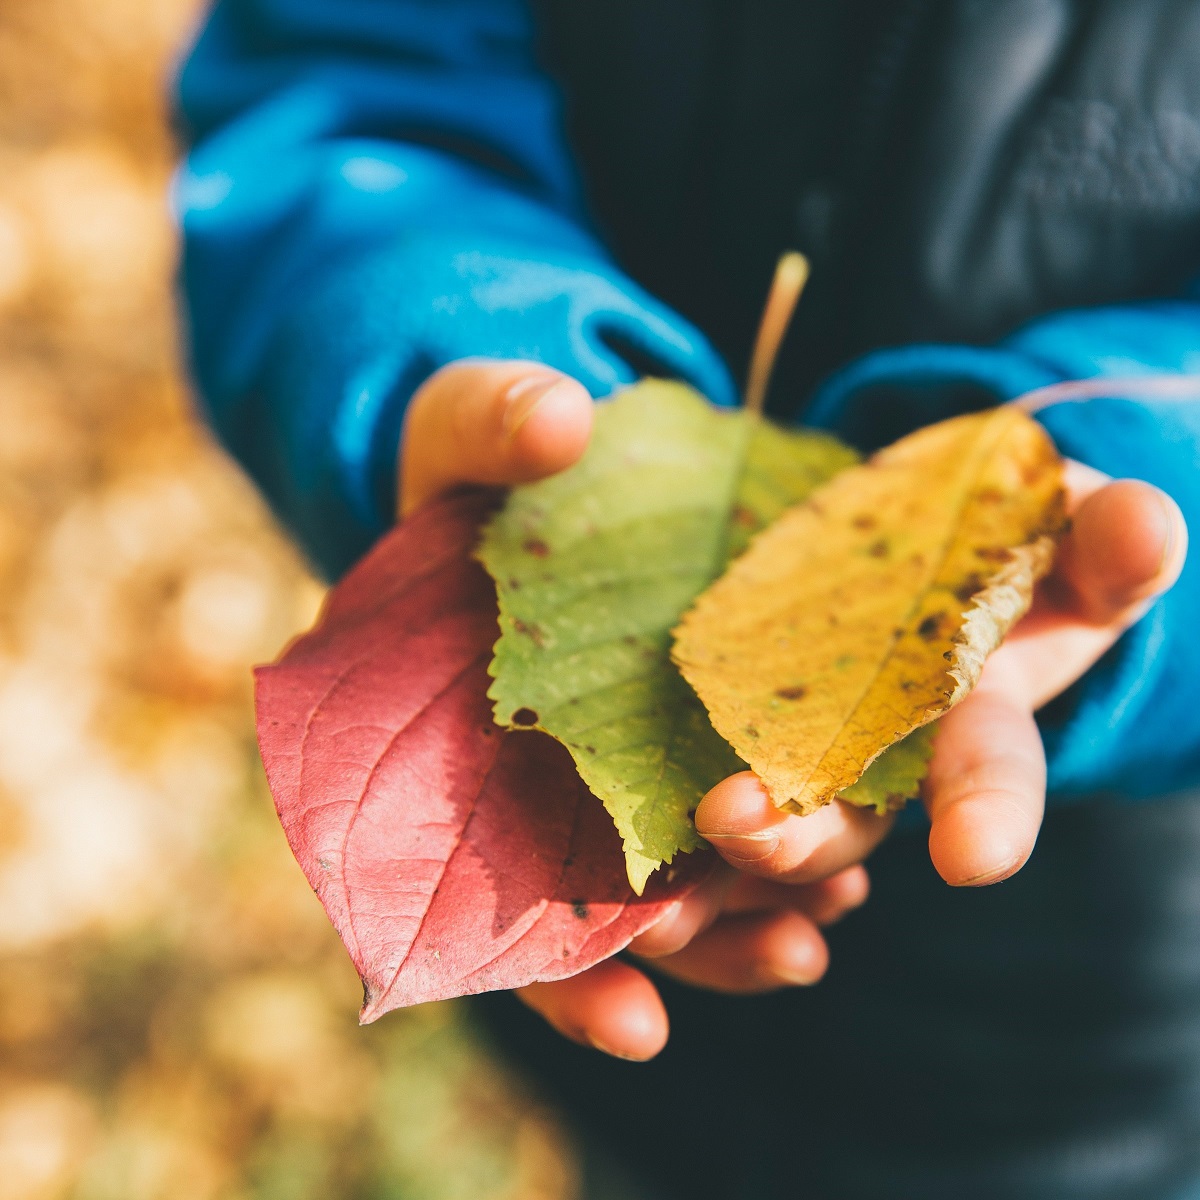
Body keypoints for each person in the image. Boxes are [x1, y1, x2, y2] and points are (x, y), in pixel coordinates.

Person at [175, 3, 1200, 1196]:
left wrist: (1135, 482)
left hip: (1106, 1043)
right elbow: (344, 85)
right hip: (646, 1058)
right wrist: (439, 343)